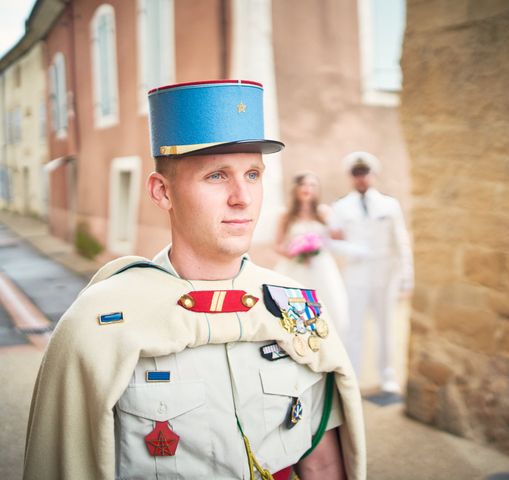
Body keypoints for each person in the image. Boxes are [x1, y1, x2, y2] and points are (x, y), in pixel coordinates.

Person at [24, 80, 366, 479]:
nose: (242, 197)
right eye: (217, 176)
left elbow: (322, 462)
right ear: (162, 192)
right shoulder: (99, 323)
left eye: (253, 174)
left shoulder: (295, 308)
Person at [331, 152, 413, 394]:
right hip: (356, 275)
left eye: (365, 173)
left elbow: (401, 242)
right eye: (356, 174)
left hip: (386, 275)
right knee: (353, 328)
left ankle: (387, 375)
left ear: (373, 175)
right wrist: (353, 250)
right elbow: (333, 241)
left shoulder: (389, 204)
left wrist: (407, 277)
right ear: (350, 177)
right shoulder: (340, 206)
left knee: (386, 327)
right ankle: (352, 377)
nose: (361, 178)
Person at [274, 172, 349, 339]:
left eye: (312, 185)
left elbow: (337, 237)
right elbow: (277, 245)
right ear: (296, 189)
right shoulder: (286, 215)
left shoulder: (323, 212)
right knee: (294, 308)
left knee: (329, 305)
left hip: (321, 267)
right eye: (304, 185)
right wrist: (294, 253)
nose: (308, 189)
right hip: (295, 267)